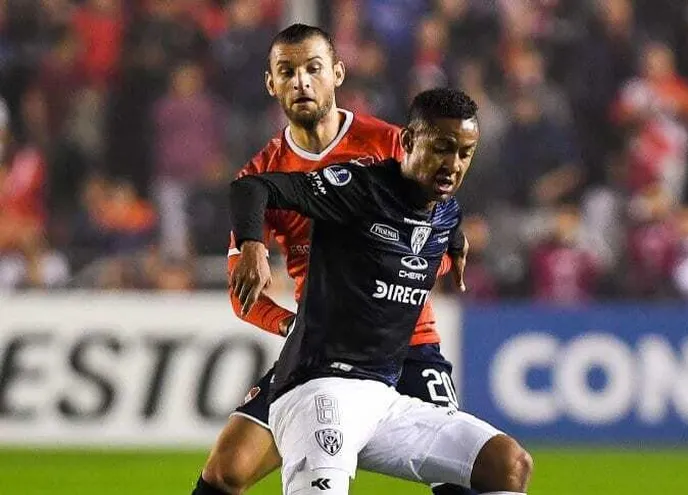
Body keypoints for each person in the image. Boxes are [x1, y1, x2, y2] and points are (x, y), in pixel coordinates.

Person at [193, 25, 473, 495]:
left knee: (459, 478)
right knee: (226, 470)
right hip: (323, 348)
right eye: (287, 72)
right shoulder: (263, 175)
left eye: (313, 68)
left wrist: (448, 245)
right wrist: (293, 324)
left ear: (337, 74)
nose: (301, 81)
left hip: (406, 341)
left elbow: (441, 222)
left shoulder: (391, 144)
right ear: (271, 84)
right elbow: (243, 296)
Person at [229, 87, 532, 495]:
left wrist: (456, 243)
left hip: (383, 398)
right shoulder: (359, 188)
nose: (453, 164)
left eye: (465, 153)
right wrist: (252, 245)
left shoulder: (446, 211)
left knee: (507, 462)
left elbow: (437, 228)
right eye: (442, 148)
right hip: (318, 387)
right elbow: (252, 188)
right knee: (229, 471)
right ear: (407, 141)